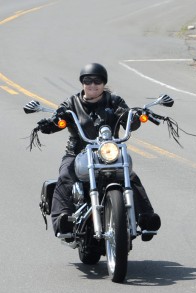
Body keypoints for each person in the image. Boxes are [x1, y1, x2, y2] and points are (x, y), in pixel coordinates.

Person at [38, 63, 161, 242]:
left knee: (131, 177)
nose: (92, 84)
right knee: (66, 174)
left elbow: (128, 119)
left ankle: (146, 217)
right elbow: (57, 120)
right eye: (88, 80)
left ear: (104, 83)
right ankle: (62, 220)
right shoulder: (72, 102)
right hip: (77, 152)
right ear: (82, 82)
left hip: (108, 154)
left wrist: (134, 116)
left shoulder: (114, 101)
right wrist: (52, 121)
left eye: (98, 80)